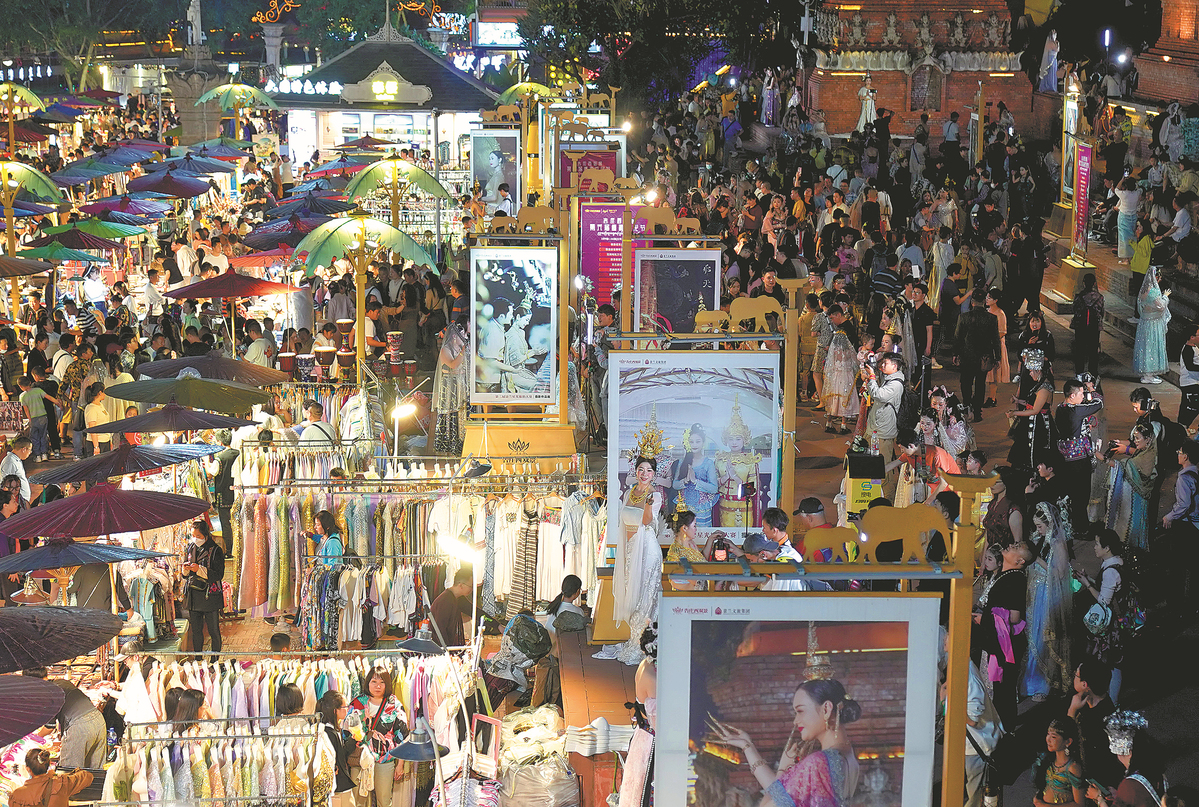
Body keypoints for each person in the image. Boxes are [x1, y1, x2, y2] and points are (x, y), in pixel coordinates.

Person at [710, 678, 862, 807]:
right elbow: (782, 797)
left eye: (800, 711)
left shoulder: (818, 762)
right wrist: (748, 747)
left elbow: (770, 803)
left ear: (826, 709)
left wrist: (782, 770)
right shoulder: (847, 756)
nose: (796, 721)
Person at [595, 455, 664, 666]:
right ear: (636, 471)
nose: (644, 474)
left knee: (644, 596)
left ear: (654, 474)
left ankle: (642, 642)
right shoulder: (629, 492)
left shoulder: (655, 495)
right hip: (630, 549)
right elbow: (623, 523)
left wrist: (648, 505)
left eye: (649, 470)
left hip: (647, 550)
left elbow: (646, 521)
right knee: (631, 594)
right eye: (641, 469)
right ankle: (635, 638)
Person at [972, 540, 1032, 729]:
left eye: (1017, 547)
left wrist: (984, 619)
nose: (1011, 545)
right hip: (994, 638)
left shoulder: (1016, 579)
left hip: (1005, 644)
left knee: (1003, 689)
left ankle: (1004, 729)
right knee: (996, 686)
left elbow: (1014, 617)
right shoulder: (1004, 574)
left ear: (1020, 561)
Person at [1022, 502, 1074, 702]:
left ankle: (1044, 684)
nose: (1038, 530)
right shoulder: (1040, 540)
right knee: (1032, 639)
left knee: (1043, 638)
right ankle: (1030, 682)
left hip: (1047, 595)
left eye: (1040, 526)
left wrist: (1038, 561)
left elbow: (1060, 573)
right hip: (1035, 593)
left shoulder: (1057, 544)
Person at [1074, 530, 1131, 704]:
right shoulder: (1116, 562)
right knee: (1112, 663)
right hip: (1118, 619)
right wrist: (1088, 579)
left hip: (1111, 625)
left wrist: (1087, 585)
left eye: (1098, 544)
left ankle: (1111, 703)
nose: (1094, 547)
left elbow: (1104, 601)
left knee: (1112, 664)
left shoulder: (1110, 571)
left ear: (1107, 548)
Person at [348, 667, 409, 807]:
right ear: (367, 683)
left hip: (384, 759)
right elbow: (347, 731)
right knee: (358, 801)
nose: (378, 686)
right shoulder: (357, 703)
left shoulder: (394, 704)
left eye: (382, 682)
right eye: (374, 681)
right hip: (359, 759)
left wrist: (400, 764)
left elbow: (402, 736)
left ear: (387, 684)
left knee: (384, 800)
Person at [1066, 661, 1123, 791]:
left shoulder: (1099, 717)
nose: (1073, 677)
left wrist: (1071, 711)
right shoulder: (1086, 701)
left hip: (1096, 778)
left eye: (1076, 675)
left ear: (1085, 684)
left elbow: (1066, 735)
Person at [1105, 423, 1157, 551]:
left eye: (1138, 438)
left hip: (1137, 501)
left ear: (1148, 439)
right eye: (1134, 438)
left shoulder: (1148, 457)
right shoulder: (1144, 451)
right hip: (1133, 499)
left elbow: (1126, 466)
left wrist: (1105, 460)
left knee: (1133, 528)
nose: (1135, 441)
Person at [1161, 441, 1199, 611]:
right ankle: (1193, 602)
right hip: (1196, 525)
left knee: (1178, 566)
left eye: (1180, 452)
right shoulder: (1196, 474)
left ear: (1186, 457)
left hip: (1186, 527)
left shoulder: (1184, 478)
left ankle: (1175, 603)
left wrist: (1169, 516)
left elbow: (1184, 504)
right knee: (1194, 566)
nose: (1178, 454)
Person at [955, 289, 1000, 422]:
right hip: (984, 357)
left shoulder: (963, 317)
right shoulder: (992, 318)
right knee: (980, 384)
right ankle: (977, 411)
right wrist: (997, 357)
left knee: (966, 383)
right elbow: (995, 339)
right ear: (984, 302)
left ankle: (967, 405)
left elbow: (958, 337)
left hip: (967, 356)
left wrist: (955, 354)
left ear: (972, 302)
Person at [182, 520, 225, 658]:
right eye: (193, 536)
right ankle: (198, 658)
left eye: (199, 536)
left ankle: (214, 660)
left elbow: (219, 574)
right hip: (193, 596)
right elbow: (185, 575)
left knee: (213, 630)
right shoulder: (190, 548)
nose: (196, 539)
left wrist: (199, 569)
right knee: (196, 631)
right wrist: (185, 569)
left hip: (209, 596)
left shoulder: (216, 550)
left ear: (206, 535)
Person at [1007, 349, 1055, 471]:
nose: (1030, 374)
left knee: (1034, 449)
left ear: (1038, 371)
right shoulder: (1039, 384)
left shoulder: (1044, 388)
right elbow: (1031, 404)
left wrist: (1015, 413)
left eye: (1031, 371)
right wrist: (1018, 401)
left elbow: (1035, 410)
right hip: (1032, 421)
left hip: (1039, 424)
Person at [7, 747, 93, 807]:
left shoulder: (16, 796)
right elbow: (88, 776)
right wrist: (55, 775)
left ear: (28, 769)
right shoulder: (61, 783)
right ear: (48, 765)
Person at [670, 425, 720, 526]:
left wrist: (695, 481)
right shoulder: (682, 462)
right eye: (691, 442)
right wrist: (685, 481)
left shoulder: (708, 463)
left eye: (698, 441)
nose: (694, 445)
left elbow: (714, 488)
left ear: (703, 443)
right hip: (684, 507)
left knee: (702, 534)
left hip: (702, 509)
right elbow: (675, 485)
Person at [1031, 717, 1085, 807]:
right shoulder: (1049, 761)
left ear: (1068, 742)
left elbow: (1080, 804)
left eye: (1053, 737)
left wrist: (1045, 806)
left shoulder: (1073, 767)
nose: (1048, 739)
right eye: (1048, 734)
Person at [1132, 266, 1170, 384]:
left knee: (1145, 346)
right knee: (1151, 347)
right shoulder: (1153, 291)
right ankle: (1149, 375)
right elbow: (1161, 306)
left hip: (1145, 322)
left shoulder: (1143, 290)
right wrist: (1165, 296)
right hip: (1153, 324)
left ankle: (1147, 373)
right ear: (1156, 277)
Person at [317, 690, 355, 807]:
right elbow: (340, 755)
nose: (347, 709)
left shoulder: (333, 729)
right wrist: (354, 739)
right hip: (338, 785)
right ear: (335, 710)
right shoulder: (329, 732)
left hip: (339, 783)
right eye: (344, 707)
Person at [1071, 273, 1105, 378]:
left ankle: (1079, 372)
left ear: (1084, 283)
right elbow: (1102, 312)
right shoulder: (1099, 297)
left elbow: (1075, 310)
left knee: (1079, 349)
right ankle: (1092, 372)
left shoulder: (1079, 296)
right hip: (1094, 327)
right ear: (1094, 283)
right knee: (1093, 350)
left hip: (1080, 326)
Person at [430, 567, 472, 647]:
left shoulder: (458, 598)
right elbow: (440, 630)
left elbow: (474, 611)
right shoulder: (445, 600)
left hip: (448, 646)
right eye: (470, 586)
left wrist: (496, 625)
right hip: (440, 648)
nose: (471, 589)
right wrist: (448, 651)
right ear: (461, 585)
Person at [82, 382, 111, 457]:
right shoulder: (91, 408)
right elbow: (92, 428)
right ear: (100, 393)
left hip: (105, 440)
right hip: (96, 442)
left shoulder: (101, 405)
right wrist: (96, 446)